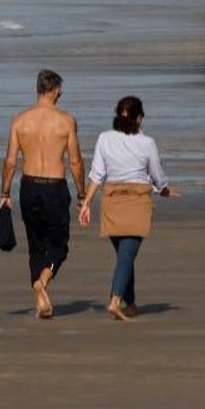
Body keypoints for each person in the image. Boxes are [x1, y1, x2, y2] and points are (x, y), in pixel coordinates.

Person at [79, 96, 176, 321]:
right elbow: (156, 173)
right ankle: (115, 300)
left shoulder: (104, 138)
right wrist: (164, 189)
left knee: (125, 254)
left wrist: (86, 203)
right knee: (127, 254)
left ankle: (129, 304)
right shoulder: (147, 143)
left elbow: (97, 174)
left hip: (111, 200)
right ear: (139, 118)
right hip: (136, 201)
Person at [0, 69, 84, 319]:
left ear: (37, 89)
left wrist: (4, 192)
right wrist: (81, 194)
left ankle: (40, 300)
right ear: (56, 89)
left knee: (35, 244)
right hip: (55, 187)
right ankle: (42, 281)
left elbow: (10, 162)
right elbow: (76, 162)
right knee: (59, 244)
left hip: (29, 186)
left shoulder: (19, 120)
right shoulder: (66, 120)